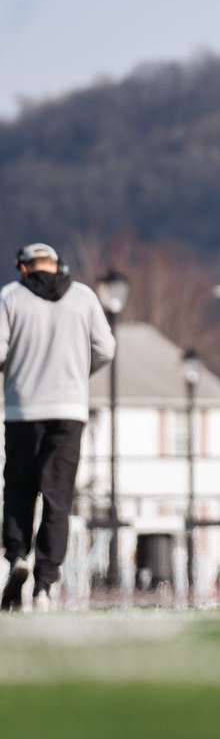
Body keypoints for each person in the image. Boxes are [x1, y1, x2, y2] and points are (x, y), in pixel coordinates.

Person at [0, 243, 116, 611]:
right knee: (57, 497)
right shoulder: (83, 297)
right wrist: (79, 374)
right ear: (58, 265)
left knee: (19, 489)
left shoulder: (11, 296)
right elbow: (106, 348)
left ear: (24, 267)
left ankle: (18, 555)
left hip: (22, 410)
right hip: (69, 410)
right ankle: (45, 585)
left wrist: (16, 372)